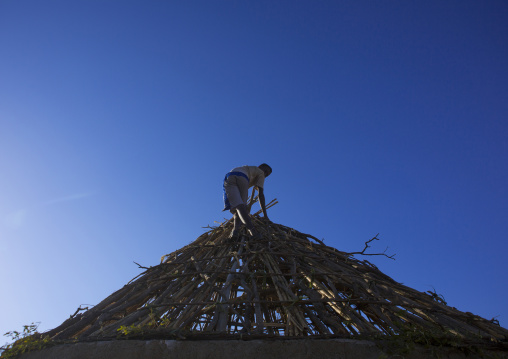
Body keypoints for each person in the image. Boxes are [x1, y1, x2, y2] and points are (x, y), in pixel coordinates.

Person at [223, 163, 272, 239]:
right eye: (265, 172)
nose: (265, 174)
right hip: (242, 177)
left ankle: (235, 231)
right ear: (260, 167)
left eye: (267, 175)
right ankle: (253, 232)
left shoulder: (249, 169)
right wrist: (265, 215)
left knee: (238, 207)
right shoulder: (260, 173)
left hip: (230, 176)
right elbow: (260, 195)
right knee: (243, 208)